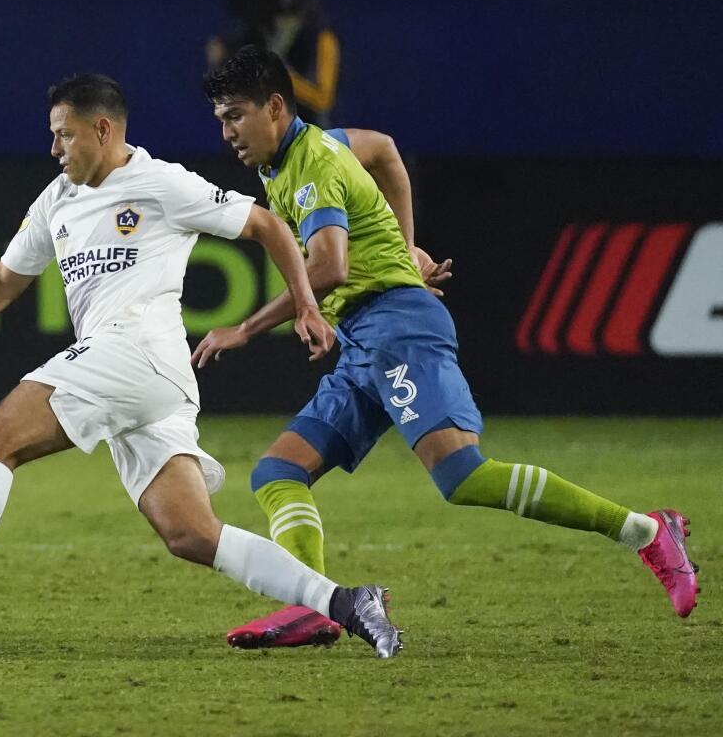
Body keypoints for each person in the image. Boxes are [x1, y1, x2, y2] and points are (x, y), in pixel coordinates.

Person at [0, 73, 403, 658]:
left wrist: (305, 306)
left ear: (102, 130)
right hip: (153, 379)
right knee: (190, 534)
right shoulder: (57, 199)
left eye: (64, 135)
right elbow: (1, 283)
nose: (55, 149)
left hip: (136, 350)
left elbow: (268, 225)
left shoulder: (159, 182)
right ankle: (348, 602)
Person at [195, 45, 700, 649]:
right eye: (221, 119)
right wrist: (407, 246)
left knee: (463, 476)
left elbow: (327, 266)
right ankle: (313, 605)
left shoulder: (312, 166)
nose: (226, 132)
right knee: (279, 471)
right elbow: (382, 147)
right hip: (365, 337)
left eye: (234, 116)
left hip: (398, 327)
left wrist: (245, 328)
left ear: (275, 107)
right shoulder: (314, 146)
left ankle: (646, 532)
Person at [206, 0, 339, 126]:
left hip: (307, 138)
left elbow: (322, 98)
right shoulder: (251, 37)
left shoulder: (318, 36)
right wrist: (221, 62)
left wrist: (281, 77)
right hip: (261, 142)